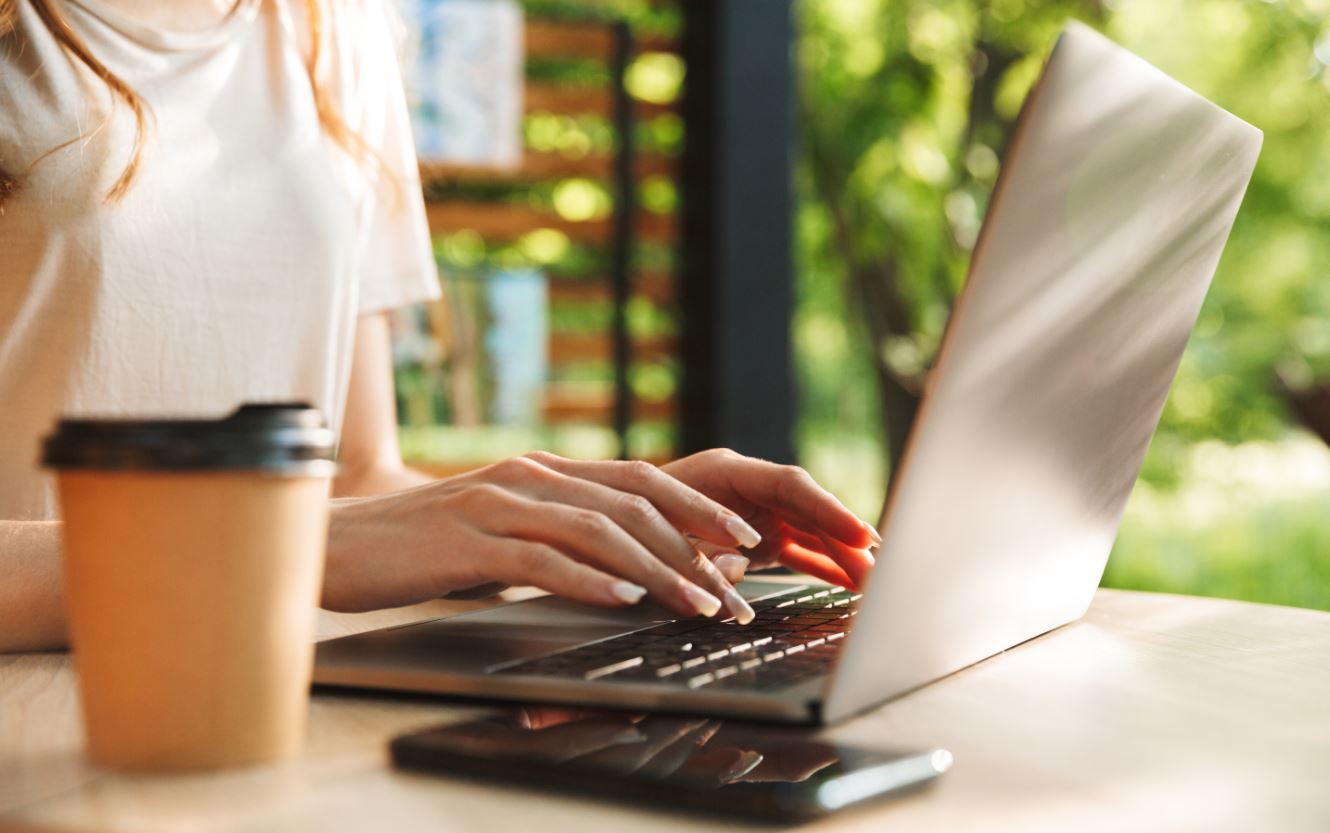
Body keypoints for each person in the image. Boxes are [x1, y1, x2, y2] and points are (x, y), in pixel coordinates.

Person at [0, 0, 878, 653]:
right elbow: (328, 532)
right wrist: (297, 545)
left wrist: (574, 533)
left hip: (278, 683)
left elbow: (359, 467)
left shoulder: (334, 29)